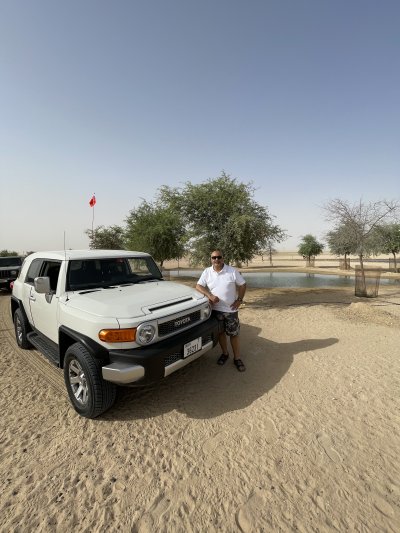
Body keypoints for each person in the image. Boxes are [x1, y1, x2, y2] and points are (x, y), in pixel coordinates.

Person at [196, 249, 247, 372]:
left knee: (234, 335)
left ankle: (237, 358)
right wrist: (209, 296)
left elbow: (243, 285)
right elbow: (198, 286)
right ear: (211, 259)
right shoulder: (207, 272)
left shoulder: (232, 271)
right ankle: (225, 354)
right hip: (215, 310)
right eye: (214, 258)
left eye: (219, 257)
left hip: (230, 310)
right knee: (220, 333)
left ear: (223, 258)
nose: (216, 260)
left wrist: (239, 300)